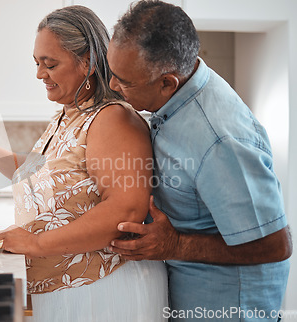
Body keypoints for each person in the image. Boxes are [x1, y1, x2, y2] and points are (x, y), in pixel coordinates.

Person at [0, 5, 168, 321]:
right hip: (68, 288)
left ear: (88, 62)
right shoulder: (67, 115)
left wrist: (35, 242)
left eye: (50, 64)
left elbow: (125, 210)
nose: (40, 74)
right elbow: (43, 174)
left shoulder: (113, 119)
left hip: (105, 289)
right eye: (37, 63)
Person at [106, 1, 292, 321]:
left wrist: (176, 245)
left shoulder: (220, 140)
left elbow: (275, 246)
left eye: (125, 81)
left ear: (167, 83)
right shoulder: (181, 89)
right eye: (113, 73)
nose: (113, 86)